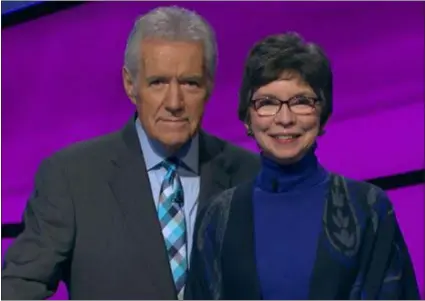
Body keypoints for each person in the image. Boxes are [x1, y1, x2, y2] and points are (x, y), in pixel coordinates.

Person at [1, 6, 260, 300]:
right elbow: (18, 287)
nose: (174, 102)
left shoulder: (251, 176)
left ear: (210, 85)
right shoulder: (71, 178)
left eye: (190, 83)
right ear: (130, 84)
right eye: (158, 82)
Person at [185, 32, 420, 300]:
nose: (285, 119)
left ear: (322, 112)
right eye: (267, 103)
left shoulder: (368, 209)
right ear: (247, 118)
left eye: (301, 102)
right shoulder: (217, 217)